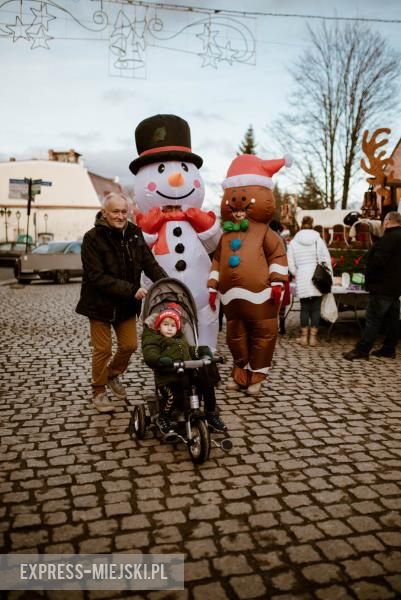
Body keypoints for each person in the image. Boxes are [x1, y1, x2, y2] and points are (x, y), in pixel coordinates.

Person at [76, 192, 167, 413]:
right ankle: (99, 391)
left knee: (129, 345)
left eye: (124, 211)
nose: (120, 216)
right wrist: (131, 290)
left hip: (126, 305)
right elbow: (96, 277)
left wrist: (167, 284)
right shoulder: (92, 238)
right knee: (103, 349)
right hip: (99, 304)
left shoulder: (134, 233)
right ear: (105, 213)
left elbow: (149, 263)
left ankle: (112, 375)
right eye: (115, 211)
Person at [142, 303, 226, 435]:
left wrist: (201, 351)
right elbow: (149, 353)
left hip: (186, 375)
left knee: (206, 384)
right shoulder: (157, 340)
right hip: (168, 378)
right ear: (158, 326)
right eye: (166, 324)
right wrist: (159, 360)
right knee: (173, 395)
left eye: (173, 325)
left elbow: (190, 351)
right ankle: (163, 418)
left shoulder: (180, 339)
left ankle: (211, 413)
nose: (169, 328)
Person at [343, 211, 401, 360]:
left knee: (373, 318)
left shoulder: (388, 238)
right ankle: (388, 349)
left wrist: (370, 277)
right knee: (393, 319)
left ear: (388, 221)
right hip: (395, 286)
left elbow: (377, 262)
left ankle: (362, 350)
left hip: (381, 285)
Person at [287, 215, 332, 347]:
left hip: (302, 276)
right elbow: (326, 258)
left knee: (305, 308)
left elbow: (290, 264)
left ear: (301, 224)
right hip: (317, 276)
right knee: (316, 308)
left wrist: (297, 273)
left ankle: (303, 338)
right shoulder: (318, 240)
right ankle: (313, 338)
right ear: (312, 224)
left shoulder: (294, 242)